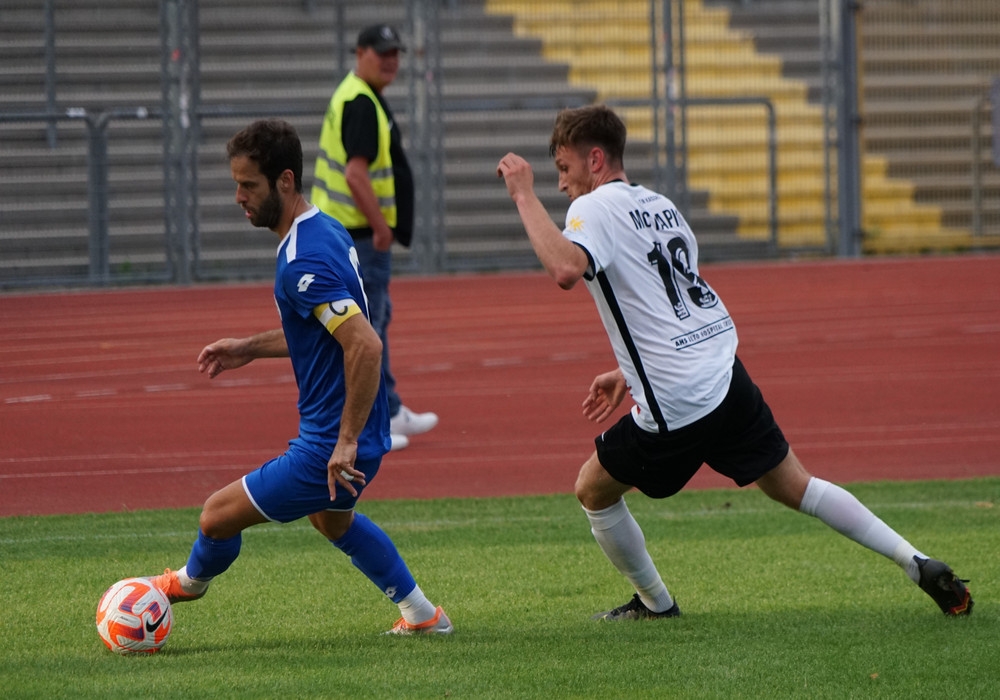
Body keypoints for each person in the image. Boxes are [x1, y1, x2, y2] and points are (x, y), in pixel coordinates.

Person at [496, 104, 973, 619]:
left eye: (564, 168)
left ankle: (656, 604)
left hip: (679, 400)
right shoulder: (660, 205)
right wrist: (625, 370)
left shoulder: (593, 209)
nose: (561, 184)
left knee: (593, 489)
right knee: (796, 485)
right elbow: (671, 304)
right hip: (724, 373)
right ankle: (914, 560)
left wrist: (523, 194)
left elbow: (566, 268)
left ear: (595, 160)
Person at [147, 119, 452, 635]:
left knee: (215, 516)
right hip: (357, 432)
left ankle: (182, 587)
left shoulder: (301, 259)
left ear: (285, 180)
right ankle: (424, 616)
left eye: (249, 185)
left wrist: (344, 442)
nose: (239, 197)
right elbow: (324, 331)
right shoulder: (323, 228)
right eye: (237, 185)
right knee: (331, 520)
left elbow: (365, 344)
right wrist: (248, 347)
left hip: (330, 444)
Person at [311, 23, 437, 452]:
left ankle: (390, 407)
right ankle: (367, 427)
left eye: (396, 53)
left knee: (374, 322)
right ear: (360, 52)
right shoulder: (362, 102)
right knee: (365, 331)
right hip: (358, 236)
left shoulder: (356, 94)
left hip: (346, 234)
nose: (391, 61)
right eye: (382, 53)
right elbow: (355, 174)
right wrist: (382, 228)